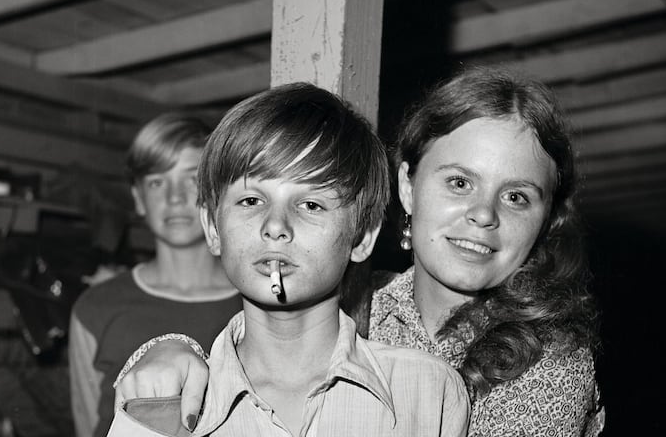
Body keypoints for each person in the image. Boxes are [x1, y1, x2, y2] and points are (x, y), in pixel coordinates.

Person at [113, 67, 603, 436]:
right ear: (407, 187)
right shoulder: (365, 296)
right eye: (459, 182)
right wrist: (169, 350)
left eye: (517, 196)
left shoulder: (551, 365)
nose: (484, 214)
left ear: (545, 220)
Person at [107, 82, 470, 436]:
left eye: (311, 204)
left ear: (361, 237)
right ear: (213, 228)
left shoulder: (429, 392)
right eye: (251, 201)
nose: (275, 226)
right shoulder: (169, 402)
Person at [69, 115, 242, 437]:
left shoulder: (258, 302)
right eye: (157, 182)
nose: (174, 197)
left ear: (216, 193)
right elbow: (86, 422)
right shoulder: (95, 307)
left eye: (191, 178)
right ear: (138, 198)